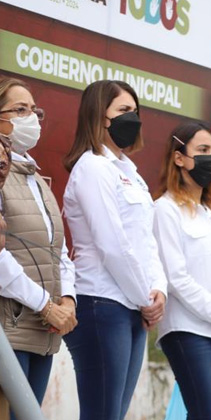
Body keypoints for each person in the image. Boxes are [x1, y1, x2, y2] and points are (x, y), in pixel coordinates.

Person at [62, 80, 168, 420]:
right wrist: (144, 298)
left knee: (114, 414)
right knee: (102, 413)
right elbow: (112, 245)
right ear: (99, 115)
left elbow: (146, 240)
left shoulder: (130, 173)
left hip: (132, 306)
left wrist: (158, 289)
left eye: (135, 111)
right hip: (101, 303)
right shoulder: (92, 167)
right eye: (123, 110)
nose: (132, 118)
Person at [152, 122, 211, 420]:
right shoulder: (165, 209)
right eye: (203, 150)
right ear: (179, 158)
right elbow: (177, 279)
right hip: (187, 329)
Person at [0, 77, 78, 413]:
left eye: (34, 111)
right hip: (11, 329)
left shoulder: (35, 177)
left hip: (44, 333)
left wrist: (68, 299)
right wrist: (46, 305)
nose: (30, 118)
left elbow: (57, 249)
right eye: (20, 110)